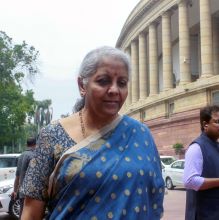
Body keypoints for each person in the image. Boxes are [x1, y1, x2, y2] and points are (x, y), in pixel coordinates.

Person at [20, 46, 165, 220]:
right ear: (82, 85)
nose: (114, 90)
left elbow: (154, 198)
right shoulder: (52, 135)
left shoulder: (141, 134)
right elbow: (31, 211)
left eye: (122, 83)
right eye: (103, 81)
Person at [183, 105, 219, 220]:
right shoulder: (196, 147)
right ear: (205, 125)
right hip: (203, 214)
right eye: (217, 121)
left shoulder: (216, 146)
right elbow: (190, 181)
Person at [12, 137, 36, 219]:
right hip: (32, 192)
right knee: (31, 215)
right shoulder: (34, 156)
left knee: (22, 214)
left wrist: (15, 191)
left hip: (22, 192)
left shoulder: (21, 156)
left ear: (26, 145)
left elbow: (17, 176)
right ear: (36, 144)